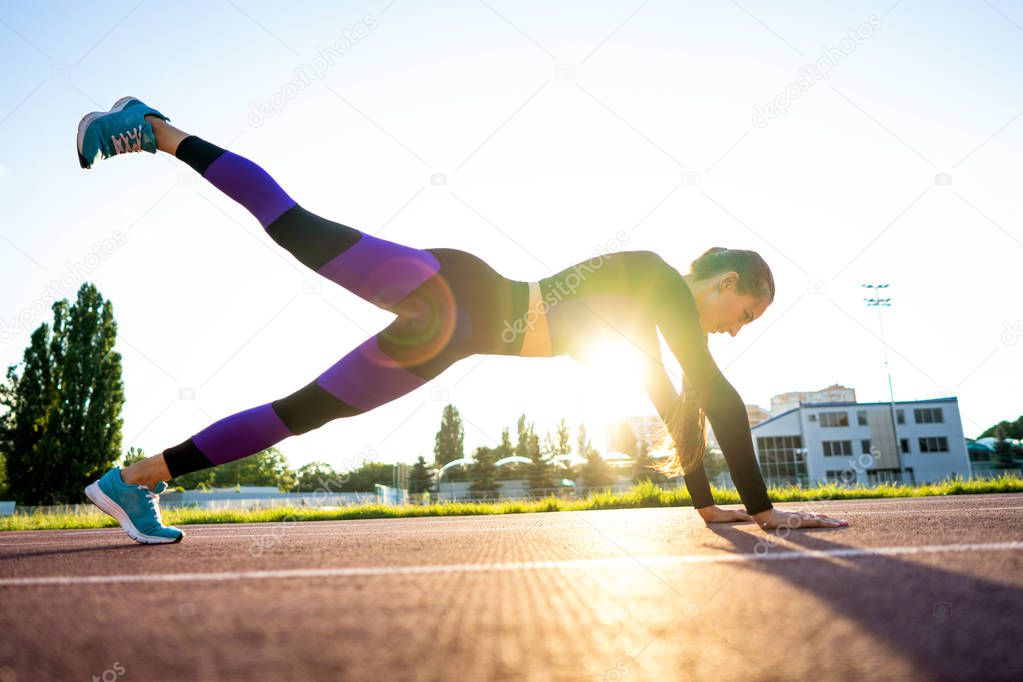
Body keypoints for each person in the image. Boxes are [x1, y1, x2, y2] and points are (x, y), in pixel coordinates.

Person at [77, 97, 847, 543]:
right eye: (743, 313)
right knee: (293, 223)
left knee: (300, 414)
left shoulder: (649, 319)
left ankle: (135, 480)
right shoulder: (660, 282)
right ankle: (156, 128)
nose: (735, 329)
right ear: (724, 281)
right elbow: (707, 389)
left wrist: (710, 508)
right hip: (457, 291)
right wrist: (765, 512)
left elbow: (675, 402)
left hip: (447, 338)